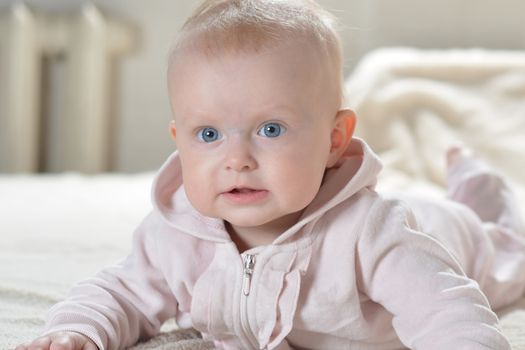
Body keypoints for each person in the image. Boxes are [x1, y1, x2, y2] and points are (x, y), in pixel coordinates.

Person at [17, 0, 525, 349]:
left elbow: (447, 311)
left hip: (446, 234)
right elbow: (121, 293)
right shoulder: (175, 235)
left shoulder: (374, 234)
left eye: (271, 128)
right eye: (209, 135)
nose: (236, 159)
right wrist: (78, 330)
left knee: (507, 247)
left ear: (334, 139)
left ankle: (482, 188)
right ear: (179, 139)